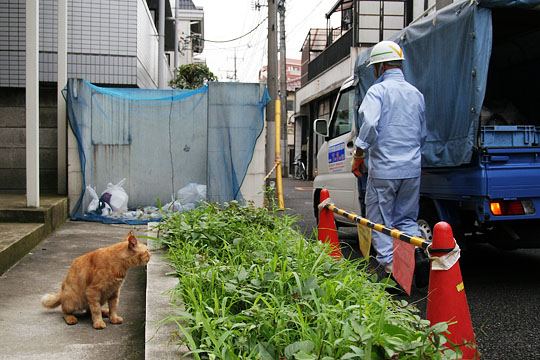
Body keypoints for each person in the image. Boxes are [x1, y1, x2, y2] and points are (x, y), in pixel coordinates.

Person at [351, 40, 426, 276]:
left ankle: (393, 271)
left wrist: (359, 153)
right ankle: (414, 259)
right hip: (411, 169)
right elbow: (422, 134)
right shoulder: (416, 94)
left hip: (384, 169)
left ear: (380, 67)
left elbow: (370, 124)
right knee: (406, 221)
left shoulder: (378, 91)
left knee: (381, 223)